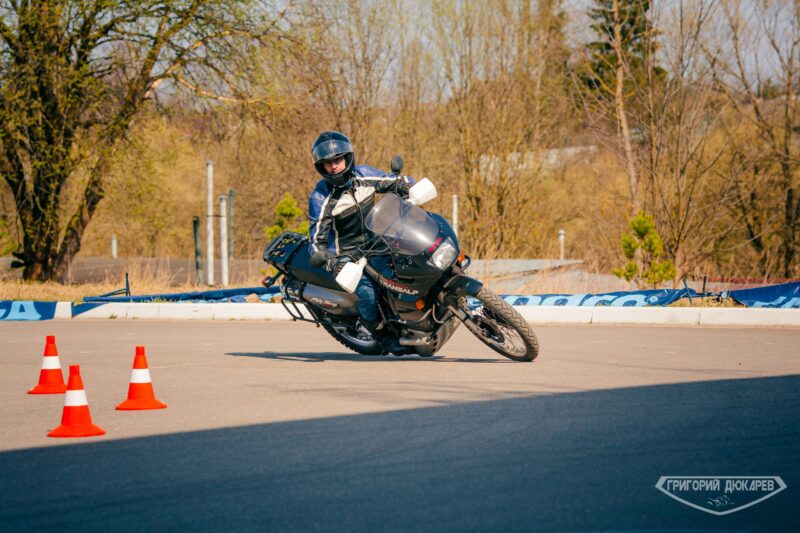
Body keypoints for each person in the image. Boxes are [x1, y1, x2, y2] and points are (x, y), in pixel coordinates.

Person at [307, 130, 412, 351]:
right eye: (328, 163)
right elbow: (316, 239)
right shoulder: (320, 197)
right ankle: (382, 336)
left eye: (337, 159)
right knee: (368, 294)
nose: (334, 166)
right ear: (321, 167)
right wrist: (326, 259)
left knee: (404, 272)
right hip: (346, 257)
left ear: (347, 157)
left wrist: (405, 185)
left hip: (376, 243)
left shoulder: (363, 174)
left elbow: (391, 181)